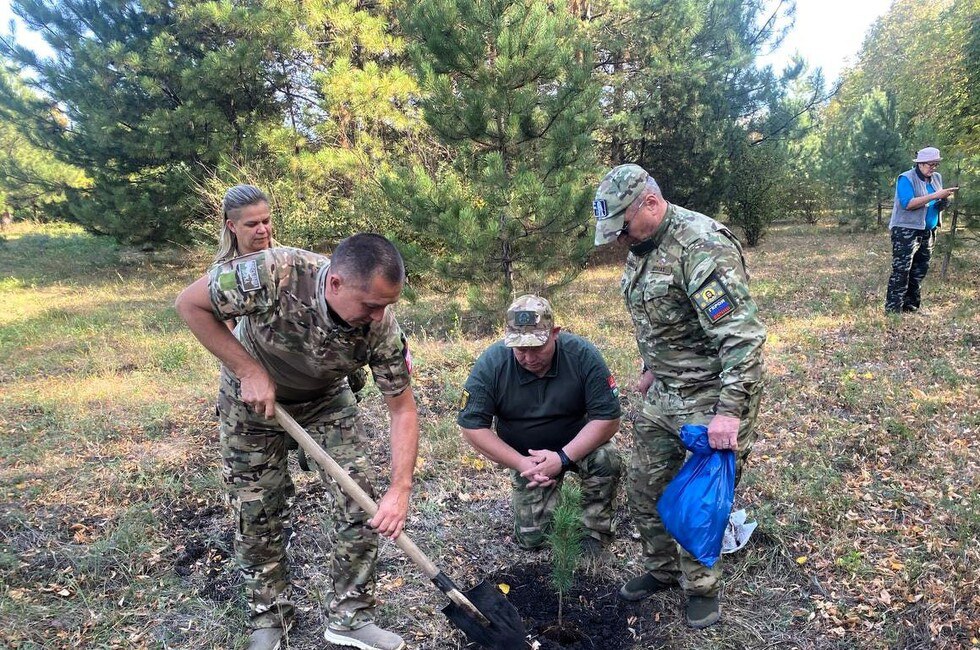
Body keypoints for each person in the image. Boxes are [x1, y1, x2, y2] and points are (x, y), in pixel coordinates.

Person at [175, 233, 419, 650]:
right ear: (336, 283)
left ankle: (350, 617)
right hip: (251, 401)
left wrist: (401, 489)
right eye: (372, 306)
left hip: (326, 401)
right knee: (257, 511)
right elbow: (191, 305)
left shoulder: (381, 329)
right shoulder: (276, 273)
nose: (379, 317)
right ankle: (270, 618)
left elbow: (403, 409)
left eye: (387, 306)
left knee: (362, 501)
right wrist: (247, 369)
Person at [592, 164, 766, 629]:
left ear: (650, 202)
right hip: (665, 391)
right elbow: (661, 315)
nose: (619, 240)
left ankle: (702, 589)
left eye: (622, 227)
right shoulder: (643, 245)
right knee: (645, 485)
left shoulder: (701, 246)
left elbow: (742, 339)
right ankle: (662, 570)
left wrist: (728, 414)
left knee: (697, 499)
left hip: (711, 396)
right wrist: (652, 367)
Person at [457, 295, 622, 556]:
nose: (529, 357)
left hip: (575, 446)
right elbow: (472, 427)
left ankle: (594, 530)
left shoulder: (581, 355)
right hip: (527, 460)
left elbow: (608, 417)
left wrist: (563, 457)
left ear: (554, 333)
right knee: (532, 540)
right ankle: (545, 507)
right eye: (520, 349)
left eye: (537, 347)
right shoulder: (493, 364)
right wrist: (520, 463)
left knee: (606, 457)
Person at [885, 147, 958, 314]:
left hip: (928, 231)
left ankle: (910, 307)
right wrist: (935, 196)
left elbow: (936, 202)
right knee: (902, 271)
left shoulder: (936, 178)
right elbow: (908, 203)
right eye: (930, 164)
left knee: (919, 271)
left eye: (936, 164)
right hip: (906, 231)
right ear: (920, 164)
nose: (933, 168)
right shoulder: (906, 178)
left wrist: (944, 201)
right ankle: (893, 310)